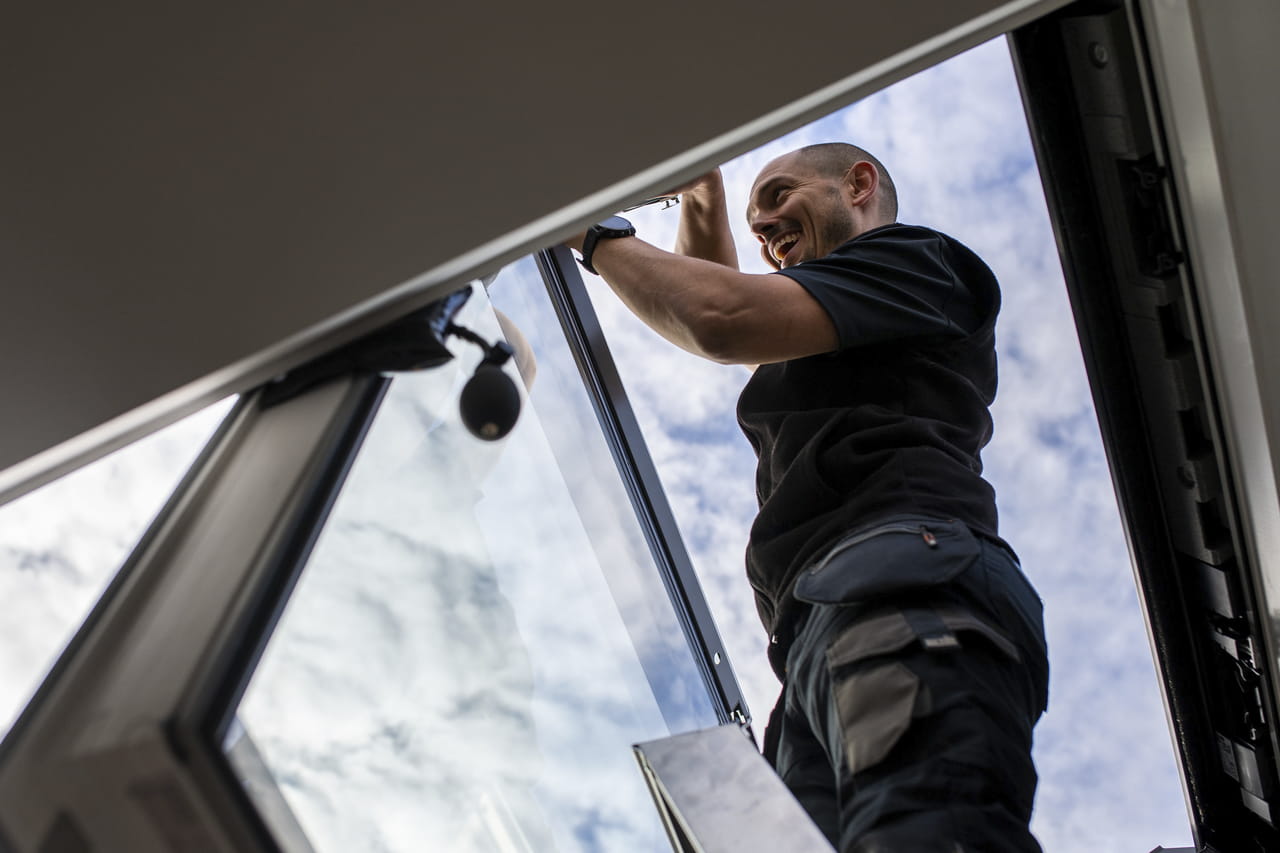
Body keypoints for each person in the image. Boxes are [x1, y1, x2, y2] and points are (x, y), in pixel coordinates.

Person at [563, 142, 1049, 853]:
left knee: (925, 834)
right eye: (755, 220)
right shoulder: (843, 325)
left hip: (904, 583)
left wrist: (588, 230)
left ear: (858, 185)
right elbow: (710, 295)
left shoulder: (917, 263)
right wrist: (703, 193)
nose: (763, 228)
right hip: (822, 626)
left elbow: (718, 315)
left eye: (780, 197)